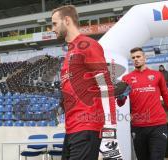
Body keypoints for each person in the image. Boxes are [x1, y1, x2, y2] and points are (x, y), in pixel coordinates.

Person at [51, 5, 116, 160]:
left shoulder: (89, 46)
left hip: (87, 127)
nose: (52, 29)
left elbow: (105, 86)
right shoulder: (69, 53)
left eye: (54, 23)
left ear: (67, 20)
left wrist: (110, 129)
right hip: (72, 129)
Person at [116, 47, 168, 160]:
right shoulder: (126, 78)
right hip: (138, 127)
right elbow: (120, 103)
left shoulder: (157, 75)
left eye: (138, 56)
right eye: (133, 58)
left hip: (158, 126)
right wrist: (121, 96)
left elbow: (167, 97)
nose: (136, 59)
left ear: (144, 58)